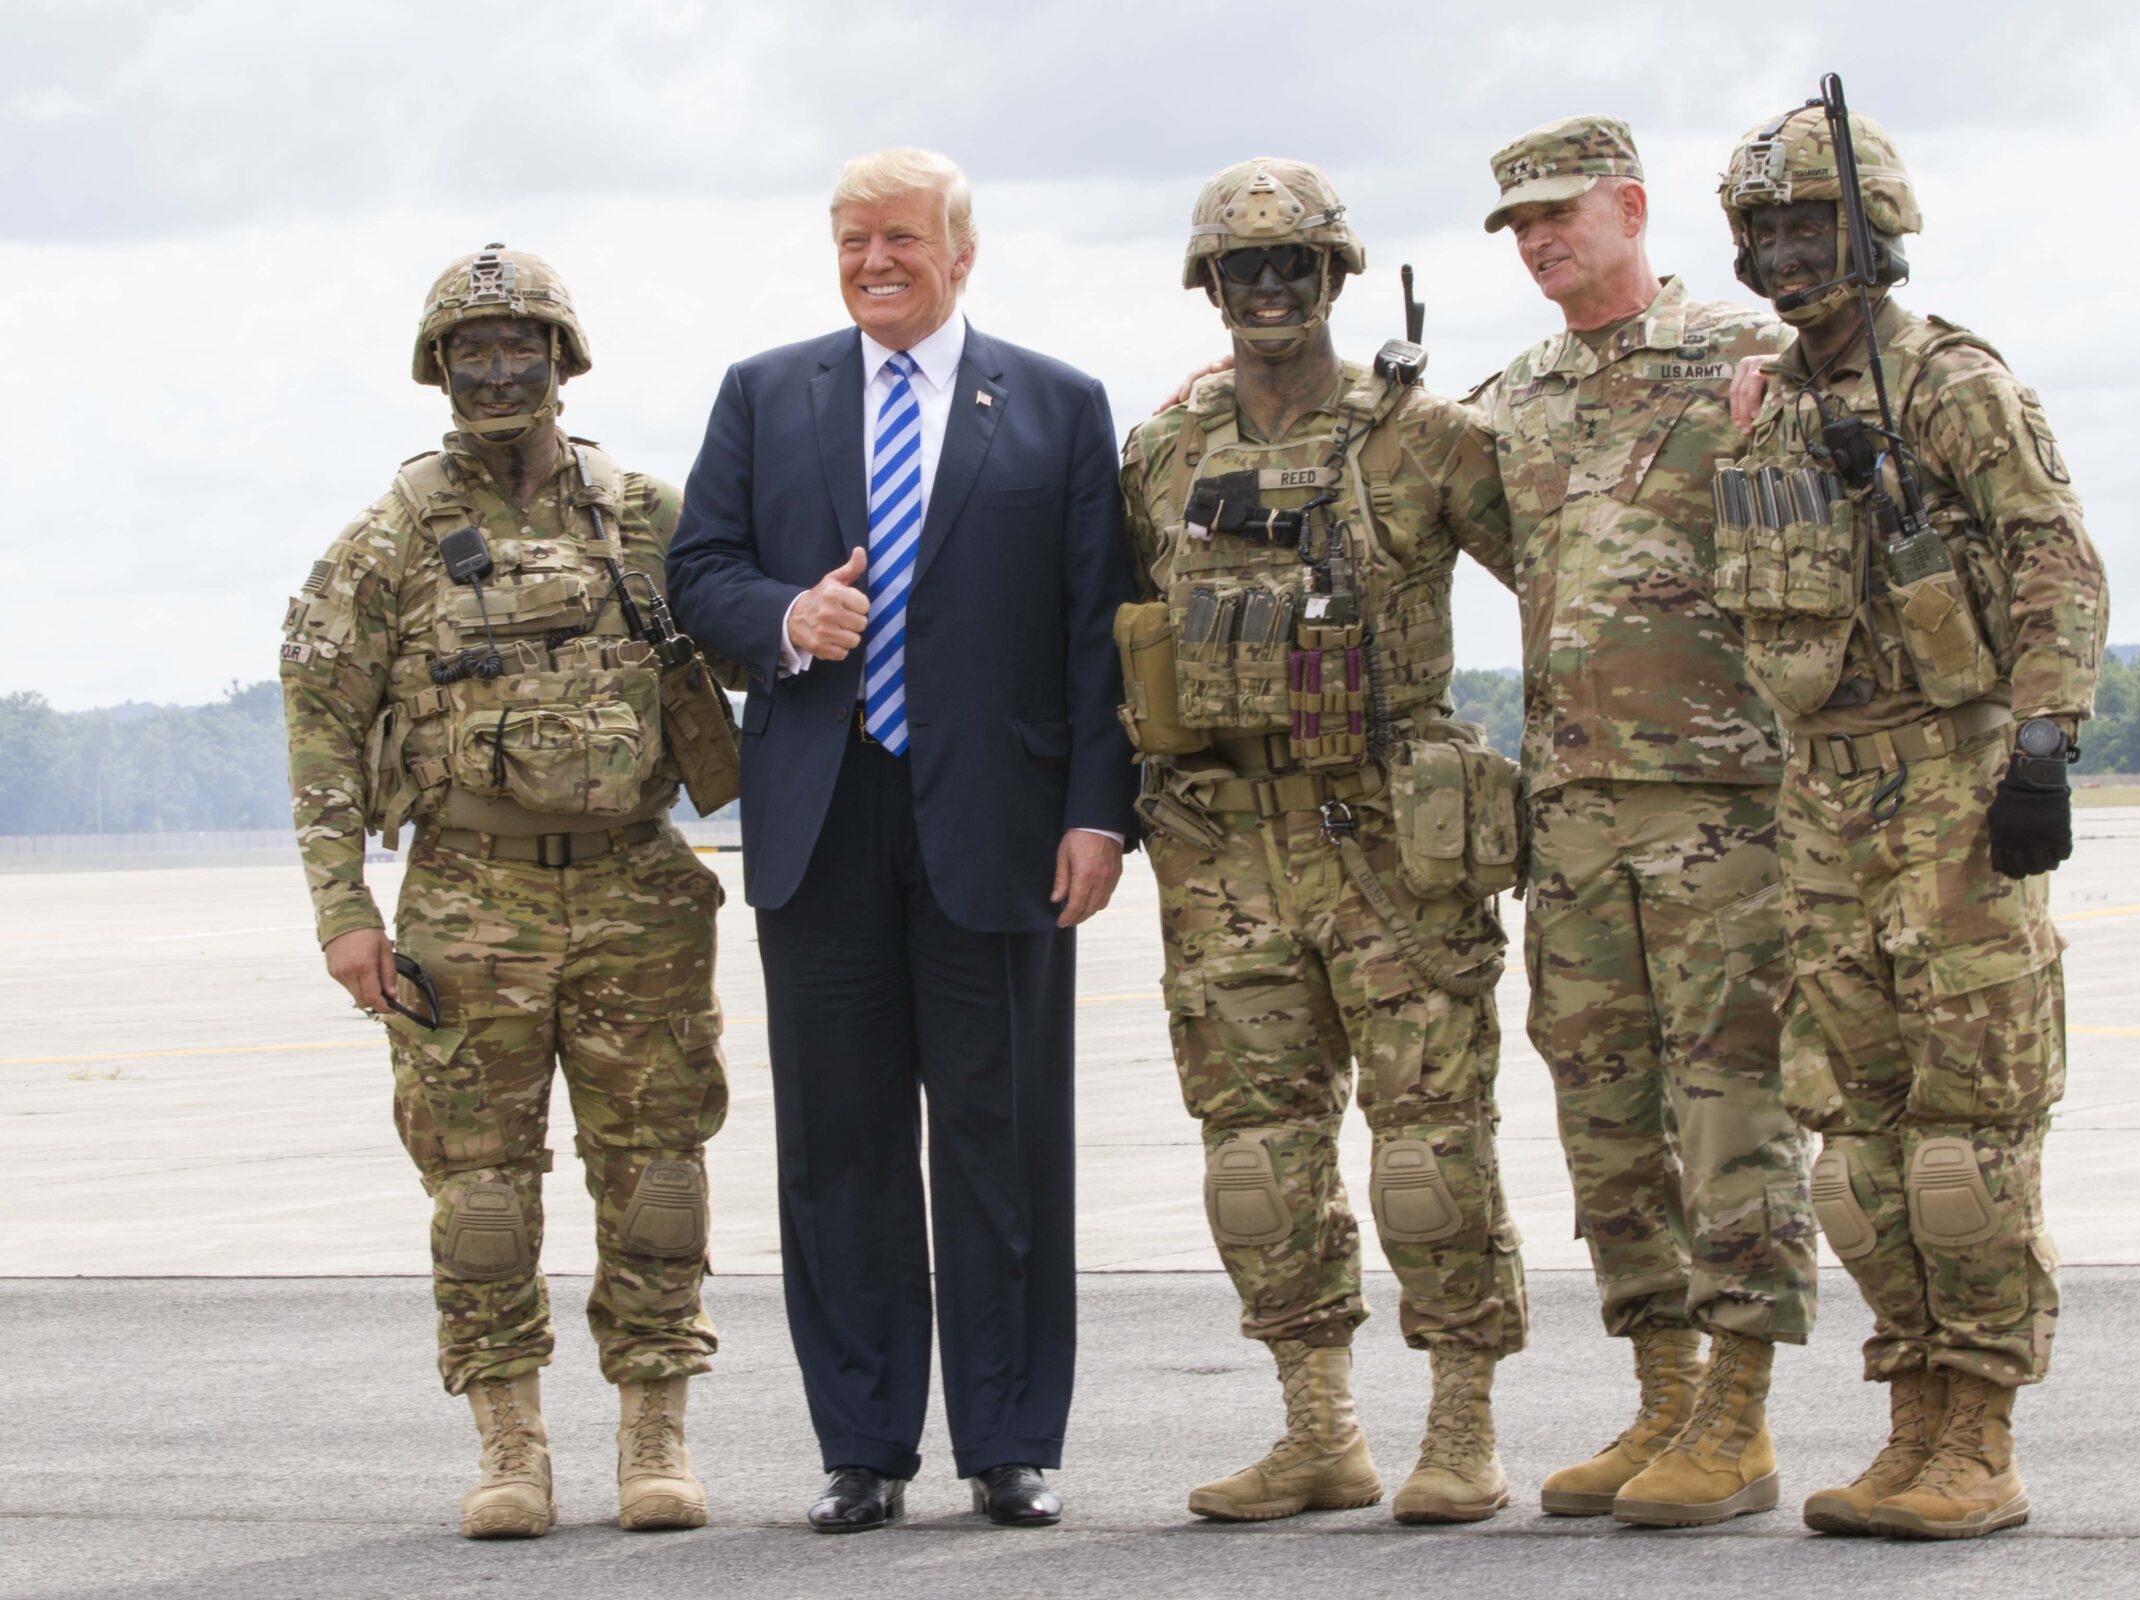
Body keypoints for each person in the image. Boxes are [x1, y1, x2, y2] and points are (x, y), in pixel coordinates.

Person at [666, 147, 1136, 1532]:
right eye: (853, 240)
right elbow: (696, 571)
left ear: (961, 254)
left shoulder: (1056, 404)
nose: (875, 261)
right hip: (822, 819)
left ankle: (1011, 1442)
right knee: (840, 1150)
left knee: (1004, 1144)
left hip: (998, 825)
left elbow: (1098, 627)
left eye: (902, 239)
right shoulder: (764, 393)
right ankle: (862, 1446)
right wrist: (784, 618)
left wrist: (1099, 812)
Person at [279, 245, 737, 1539]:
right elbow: (320, 719)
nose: (495, 372)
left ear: (561, 358)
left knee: (657, 1179)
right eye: (470, 351)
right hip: (467, 899)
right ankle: (510, 1448)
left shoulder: (646, 514)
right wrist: (343, 912)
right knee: (478, 1194)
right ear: (438, 370)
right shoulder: (390, 537)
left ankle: (655, 1434)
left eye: (518, 346)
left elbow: (755, 637)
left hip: (638, 892)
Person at [1713, 96, 2107, 1539]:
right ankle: (1911, 1419)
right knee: (1858, 1146)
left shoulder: (1952, 384)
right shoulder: (1768, 396)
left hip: (1951, 783)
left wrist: (2042, 743)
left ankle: (1980, 1437)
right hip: (1824, 790)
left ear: (1876, 224)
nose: (1786, 253)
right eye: (1764, 230)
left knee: (1966, 1138)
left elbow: (2055, 561)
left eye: (1811, 223)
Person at [1120, 158, 1526, 1526]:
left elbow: (1567, 583)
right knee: (1256, 1159)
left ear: (1337, 275)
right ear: (1210, 285)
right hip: (1223, 844)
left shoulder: (1426, 437)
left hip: (1388, 841)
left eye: (1294, 263)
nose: (1270, 289)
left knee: (1429, 1152)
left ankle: (1461, 1426)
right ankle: (1319, 1432)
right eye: (1244, 268)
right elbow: (1111, 626)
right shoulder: (1163, 451)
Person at [1472, 115, 1815, 1529]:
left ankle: (1739, 1412)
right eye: (1519, 224)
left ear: (1630, 205)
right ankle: (1662, 1390)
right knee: (1603, 1112)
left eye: (1561, 211)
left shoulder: (1754, 356)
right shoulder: (1517, 399)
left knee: (1732, 1106)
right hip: (1573, 813)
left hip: (1721, 804)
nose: (1540, 239)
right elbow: (1404, 476)